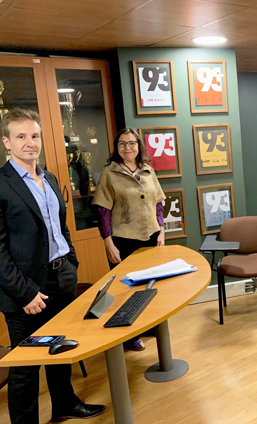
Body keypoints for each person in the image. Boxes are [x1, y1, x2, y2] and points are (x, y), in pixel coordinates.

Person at [0, 109, 106, 423]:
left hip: (61, 278)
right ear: (6, 141)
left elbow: (59, 226)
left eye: (34, 135)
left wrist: (71, 261)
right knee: (25, 366)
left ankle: (64, 406)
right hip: (24, 292)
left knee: (60, 351)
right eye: (20, 136)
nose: (30, 143)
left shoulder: (51, 178)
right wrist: (25, 293)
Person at [93, 128, 166, 351]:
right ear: (117, 148)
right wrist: (108, 242)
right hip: (124, 239)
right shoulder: (110, 173)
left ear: (138, 146)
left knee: (150, 284)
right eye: (122, 144)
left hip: (150, 236)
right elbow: (102, 210)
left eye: (132, 143)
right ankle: (128, 336)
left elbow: (158, 202)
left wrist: (161, 229)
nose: (128, 148)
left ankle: (147, 325)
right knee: (127, 288)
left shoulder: (147, 170)